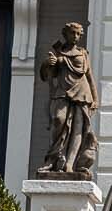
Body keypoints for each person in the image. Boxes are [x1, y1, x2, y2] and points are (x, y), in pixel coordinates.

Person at [40, 20, 99, 177]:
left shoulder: (83, 53)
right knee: (59, 120)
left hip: (82, 92)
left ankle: (70, 164)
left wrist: (95, 97)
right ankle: (52, 160)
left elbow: (89, 76)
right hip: (63, 91)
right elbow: (47, 76)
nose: (76, 36)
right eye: (73, 33)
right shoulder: (58, 52)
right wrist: (48, 64)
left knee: (78, 129)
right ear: (65, 34)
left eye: (78, 34)